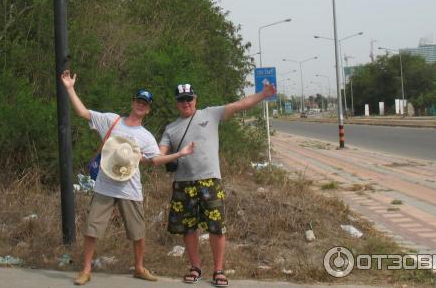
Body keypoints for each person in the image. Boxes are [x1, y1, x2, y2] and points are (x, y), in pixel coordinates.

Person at [60, 70, 195, 286]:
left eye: (145, 103)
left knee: (137, 232)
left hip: (130, 188)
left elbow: (155, 160)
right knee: (92, 229)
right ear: (133, 102)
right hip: (105, 186)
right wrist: (69, 88)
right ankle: (86, 269)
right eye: (138, 100)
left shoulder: (146, 136)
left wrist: (180, 154)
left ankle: (139, 268)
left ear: (148, 109)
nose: (141, 105)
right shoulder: (111, 121)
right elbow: (83, 112)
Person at [159, 82, 276, 287]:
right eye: (181, 100)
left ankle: (219, 270)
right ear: (177, 103)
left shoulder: (210, 114)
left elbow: (240, 105)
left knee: (216, 227)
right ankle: (195, 267)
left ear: (195, 99)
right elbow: (159, 156)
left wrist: (263, 94)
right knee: (188, 229)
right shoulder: (171, 128)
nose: (185, 103)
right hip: (183, 183)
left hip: (210, 180)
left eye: (189, 99)